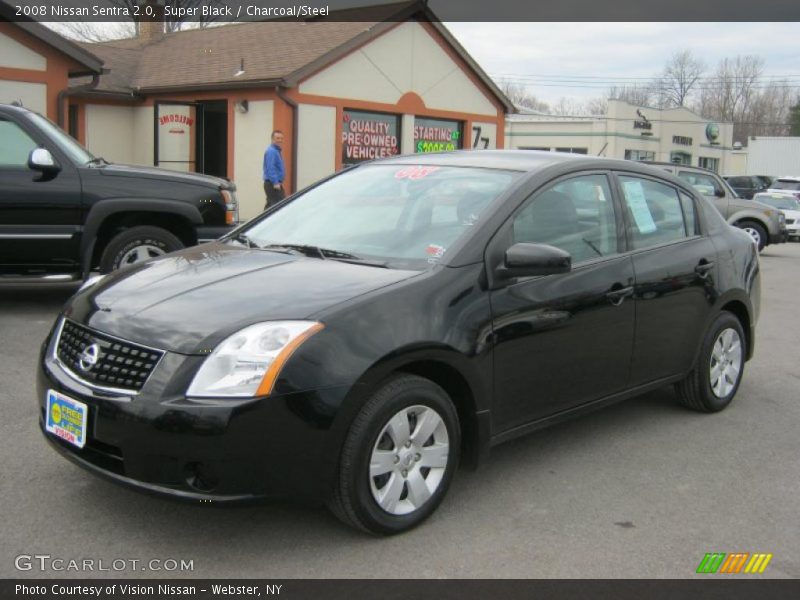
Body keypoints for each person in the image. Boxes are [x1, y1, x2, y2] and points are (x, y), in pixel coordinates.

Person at [263, 130, 285, 210]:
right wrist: (275, 182)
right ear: (272, 139)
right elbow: (270, 168)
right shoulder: (272, 151)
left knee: (271, 207)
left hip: (274, 183)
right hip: (272, 184)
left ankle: (264, 218)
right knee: (277, 207)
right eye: (277, 138)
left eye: (281, 138)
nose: (280, 140)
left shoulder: (276, 151)